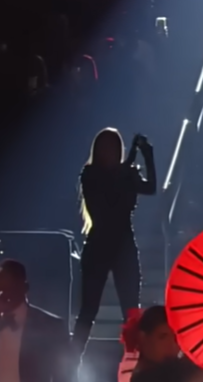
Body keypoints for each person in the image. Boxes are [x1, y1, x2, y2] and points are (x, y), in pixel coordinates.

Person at [72, 128, 157, 358]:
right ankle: (70, 368)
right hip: (99, 245)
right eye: (105, 147)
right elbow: (105, 204)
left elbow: (151, 188)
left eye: (113, 148)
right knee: (88, 311)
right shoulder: (90, 174)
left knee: (131, 312)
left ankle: (137, 364)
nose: (109, 152)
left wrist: (147, 155)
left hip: (123, 246)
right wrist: (130, 161)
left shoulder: (126, 173)